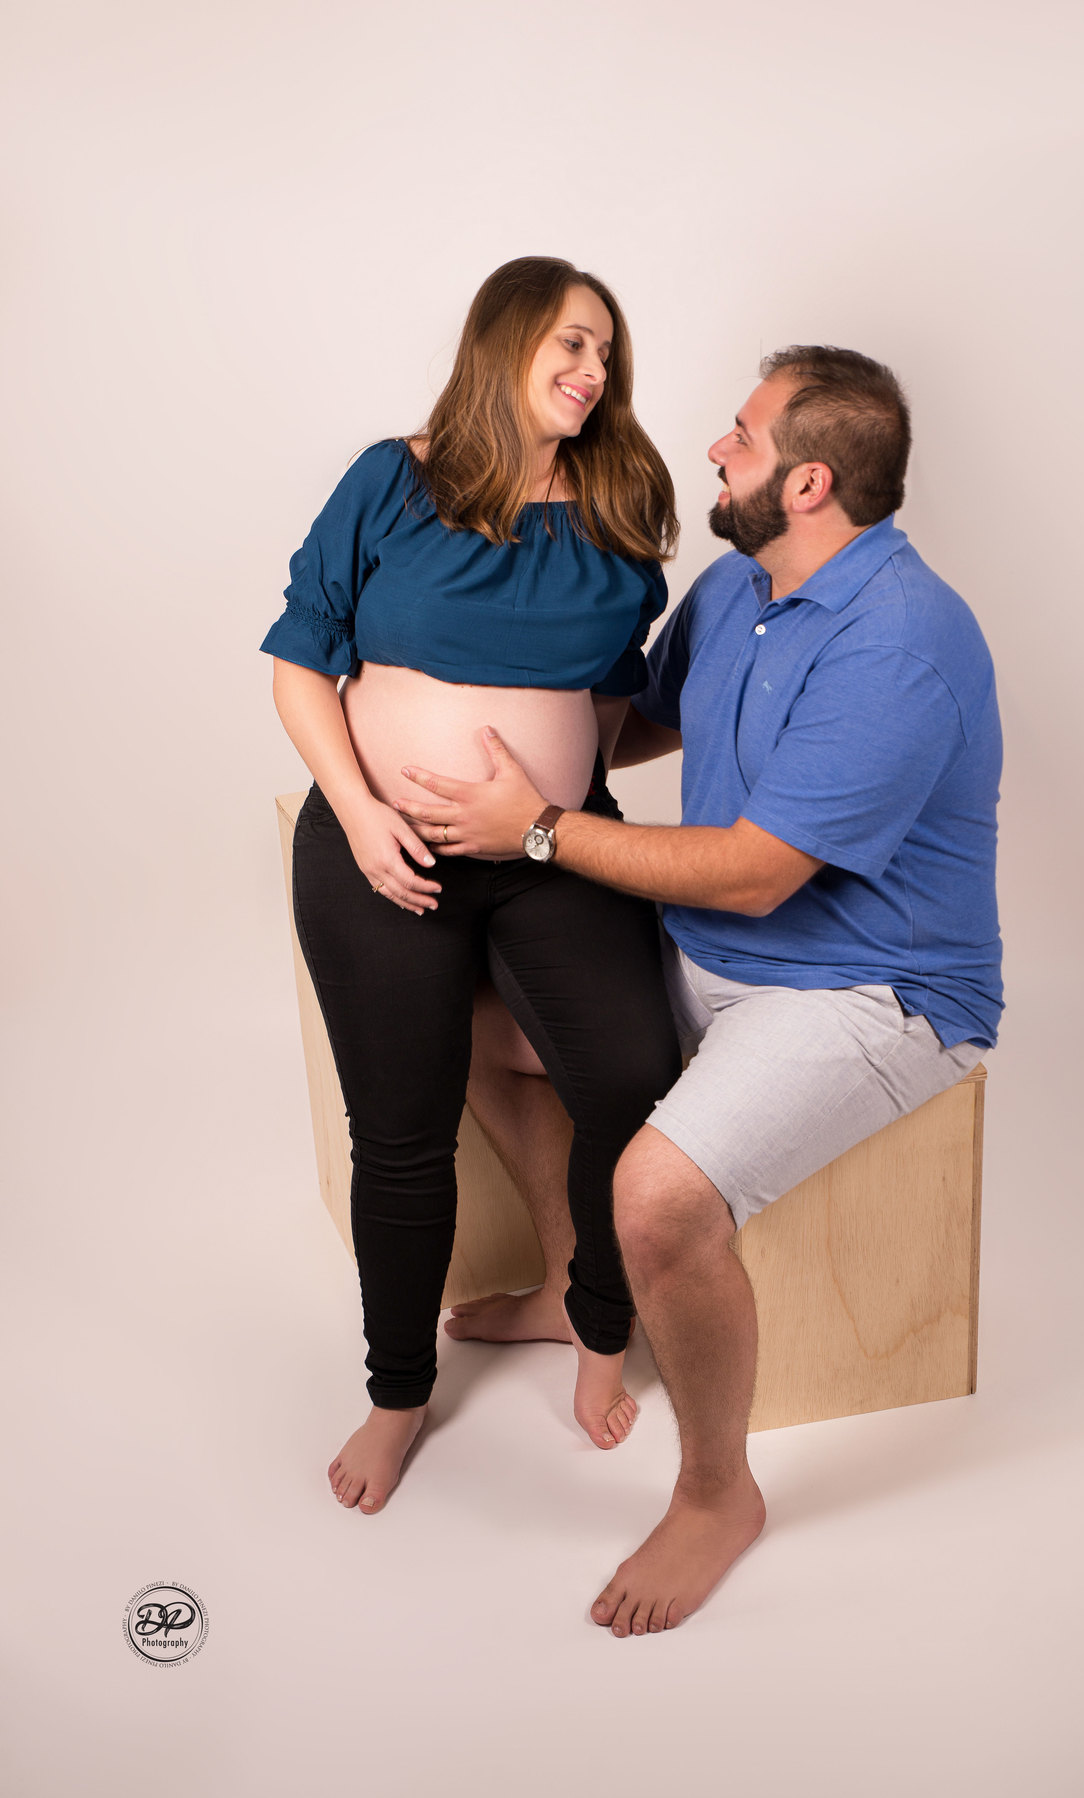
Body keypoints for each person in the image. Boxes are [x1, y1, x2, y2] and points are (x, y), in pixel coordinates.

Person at [396, 345, 1004, 1633]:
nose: (717, 449)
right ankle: (574, 1286)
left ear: (809, 484)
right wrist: (465, 691)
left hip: (874, 990)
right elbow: (640, 721)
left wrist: (537, 830)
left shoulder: (903, 640)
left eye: (744, 435)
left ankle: (719, 1493)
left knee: (658, 1201)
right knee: (475, 1017)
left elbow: (756, 876)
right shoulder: (739, 585)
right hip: (713, 946)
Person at [262, 257, 683, 1515]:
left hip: (551, 853)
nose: (592, 370)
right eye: (569, 343)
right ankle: (399, 1395)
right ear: (502, 342)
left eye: (605, 351)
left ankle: (591, 1323)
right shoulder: (394, 478)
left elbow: (608, 700)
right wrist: (363, 810)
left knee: (632, 1079)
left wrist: (545, 809)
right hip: (384, 849)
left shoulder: (618, 504)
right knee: (400, 1129)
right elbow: (300, 658)